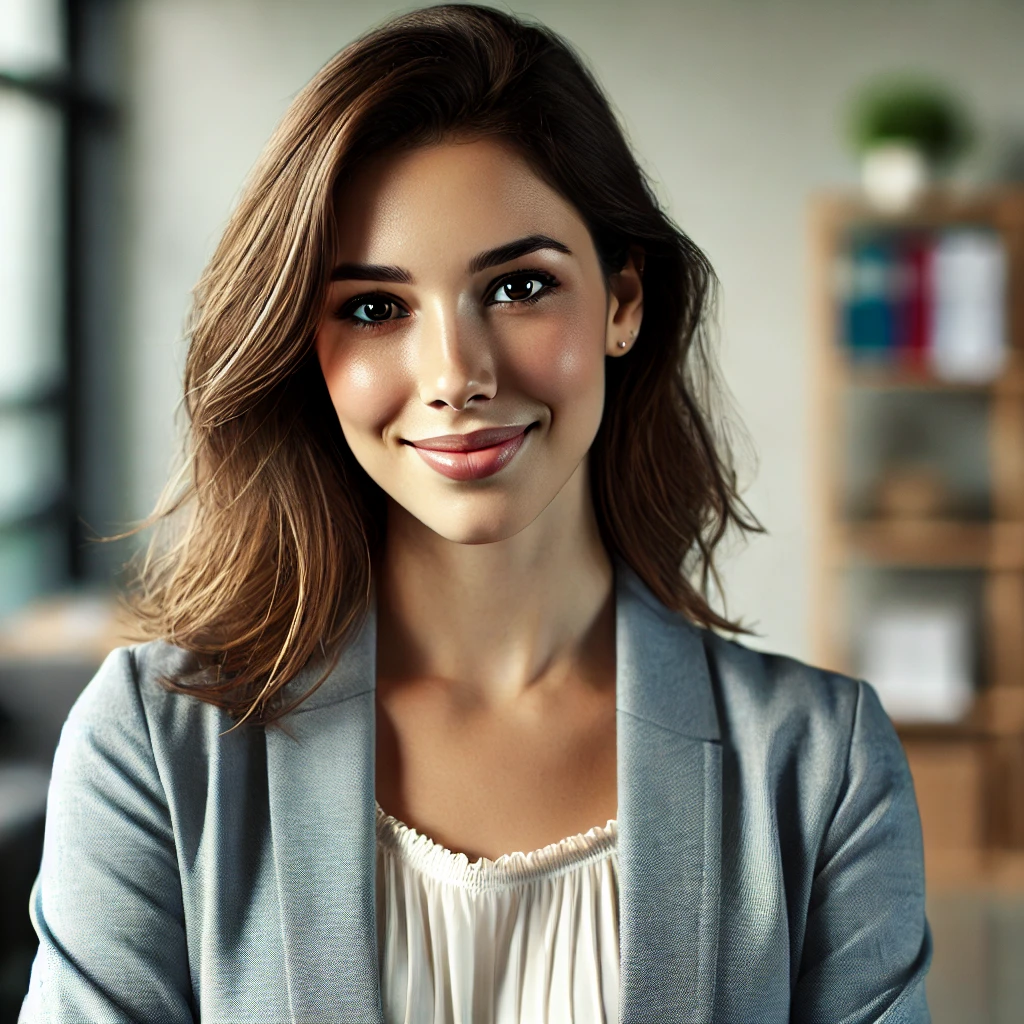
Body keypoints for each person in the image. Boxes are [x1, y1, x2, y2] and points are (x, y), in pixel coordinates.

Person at [19, 4, 931, 1022]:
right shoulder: (153, 743)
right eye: (374, 306)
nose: (455, 376)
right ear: (300, 343)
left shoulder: (821, 766)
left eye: (518, 286)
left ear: (623, 300)